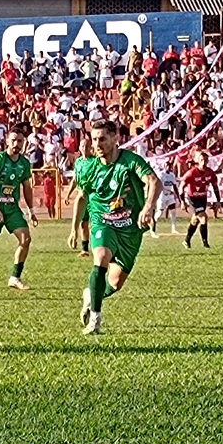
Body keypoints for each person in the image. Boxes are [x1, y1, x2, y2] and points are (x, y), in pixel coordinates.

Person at [68, 120, 161, 335]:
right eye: (94, 139)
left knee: (116, 283)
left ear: (115, 138)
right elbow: (82, 198)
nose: (97, 144)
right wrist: (74, 228)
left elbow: (154, 182)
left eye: (102, 139)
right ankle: (95, 320)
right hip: (103, 222)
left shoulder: (130, 162)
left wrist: (147, 207)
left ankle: (91, 296)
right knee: (100, 257)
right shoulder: (89, 168)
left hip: (130, 228)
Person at [0, 126, 39, 292]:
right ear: (7, 141)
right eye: (14, 140)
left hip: (12, 207)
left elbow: (27, 188)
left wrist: (31, 211)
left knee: (25, 239)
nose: (17, 144)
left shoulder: (24, 163)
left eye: (20, 141)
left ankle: (15, 277)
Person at [179, 151, 220, 249]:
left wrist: (218, 200)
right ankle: (205, 244)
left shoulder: (210, 173)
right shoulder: (192, 173)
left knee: (195, 220)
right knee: (203, 217)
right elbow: (181, 186)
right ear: (198, 161)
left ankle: (186, 240)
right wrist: (182, 201)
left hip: (202, 198)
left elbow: (215, 187)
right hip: (192, 198)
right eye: (201, 160)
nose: (204, 162)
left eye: (205, 160)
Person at [64, 136, 92, 257]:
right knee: (83, 223)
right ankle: (85, 249)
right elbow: (75, 180)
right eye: (82, 146)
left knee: (97, 223)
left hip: (93, 196)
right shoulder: (79, 162)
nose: (85, 148)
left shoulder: (95, 161)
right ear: (79, 148)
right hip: (81, 195)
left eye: (87, 146)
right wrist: (68, 194)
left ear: (91, 147)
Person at [151, 159, 180, 237]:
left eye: (169, 166)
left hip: (170, 195)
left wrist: (178, 197)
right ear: (164, 166)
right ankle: (153, 228)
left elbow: (174, 186)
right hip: (162, 195)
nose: (168, 167)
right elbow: (159, 185)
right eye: (166, 166)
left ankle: (173, 229)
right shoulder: (161, 174)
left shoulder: (172, 175)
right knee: (159, 213)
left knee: (173, 211)